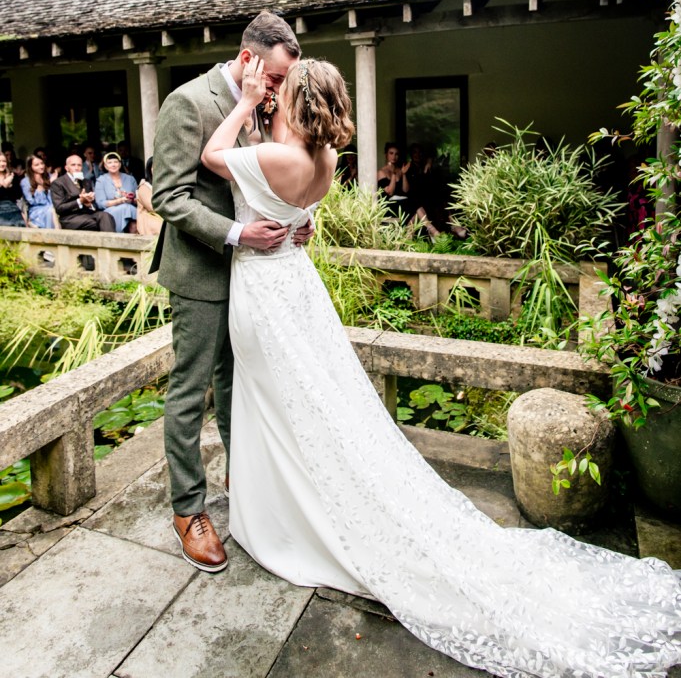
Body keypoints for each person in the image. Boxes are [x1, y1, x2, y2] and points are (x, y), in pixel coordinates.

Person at [200, 56, 681, 678]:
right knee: (310, 407)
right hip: (295, 286)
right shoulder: (321, 162)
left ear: (295, 101)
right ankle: (283, 506)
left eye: (281, 90)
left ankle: (286, 523)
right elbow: (296, 210)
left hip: (267, 295)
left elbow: (215, 154)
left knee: (281, 406)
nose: (271, 96)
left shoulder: (277, 158)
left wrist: (240, 101)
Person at [151, 9, 307, 574]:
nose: (276, 91)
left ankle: (243, 484)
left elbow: (259, 179)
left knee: (237, 382)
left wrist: (289, 220)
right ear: (247, 59)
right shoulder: (187, 103)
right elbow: (168, 197)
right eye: (273, 79)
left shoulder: (260, 108)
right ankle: (188, 509)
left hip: (251, 277)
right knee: (191, 390)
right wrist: (239, 233)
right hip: (200, 272)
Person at [378, 141, 439, 239]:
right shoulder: (381, 172)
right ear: (386, 155)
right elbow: (390, 191)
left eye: (396, 154)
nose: (394, 156)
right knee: (416, 204)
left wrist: (404, 174)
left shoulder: (400, 169)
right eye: (391, 153)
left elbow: (405, 190)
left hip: (403, 203)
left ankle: (407, 237)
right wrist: (393, 174)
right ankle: (432, 230)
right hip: (390, 205)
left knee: (416, 209)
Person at [50, 154, 116, 232]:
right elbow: (59, 208)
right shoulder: (58, 183)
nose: (77, 168)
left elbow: (94, 204)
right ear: (66, 168)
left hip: (87, 214)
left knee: (107, 216)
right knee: (102, 223)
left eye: (79, 165)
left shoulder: (86, 182)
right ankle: (109, 243)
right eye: (73, 165)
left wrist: (89, 204)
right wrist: (80, 201)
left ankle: (108, 243)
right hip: (70, 218)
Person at [95, 151, 138, 232]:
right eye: (110, 162)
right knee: (126, 208)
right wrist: (119, 201)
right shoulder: (101, 180)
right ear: (105, 166)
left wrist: (131, 200)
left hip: (131, 209)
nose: (113, 164)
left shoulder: (130, 179)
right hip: (110, 212)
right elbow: (100, 204)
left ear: (120, 164)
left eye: (115, 162)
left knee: (131, 210)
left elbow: (139, 200)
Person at [20, 154, 55, 229]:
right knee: (50, 211)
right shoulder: (25, 182)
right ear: (31, 167)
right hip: (37, 209)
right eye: (37, 165)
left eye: (42, 163)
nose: (41, 166)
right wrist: (45, 186)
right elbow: (32, 201)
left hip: (52, 206)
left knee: (53, 210)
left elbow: (54, 196)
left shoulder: (49, 176)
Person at [135, 157, 163, 237]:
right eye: (155, 166)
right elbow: (152, 207)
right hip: (151, 224)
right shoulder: (144, 187)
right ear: (149, 169)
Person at [0, 150, 25, 227]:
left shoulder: (12, 176)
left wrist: (10, 184)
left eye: (4, 161)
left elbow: (18, 195)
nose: (2, 164)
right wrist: (3, 185)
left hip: (12, 207)